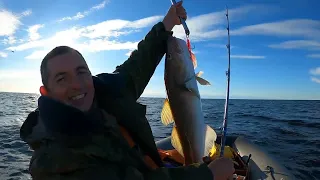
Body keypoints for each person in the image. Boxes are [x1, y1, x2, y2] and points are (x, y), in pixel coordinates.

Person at [20, 1, 235, 180]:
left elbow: (135, 67)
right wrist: (206, 174)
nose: (77, 84)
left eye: (81, 72)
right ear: (45, 92)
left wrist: (166, 25)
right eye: (61, 78)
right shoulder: (52, 162)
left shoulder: (103, 92)